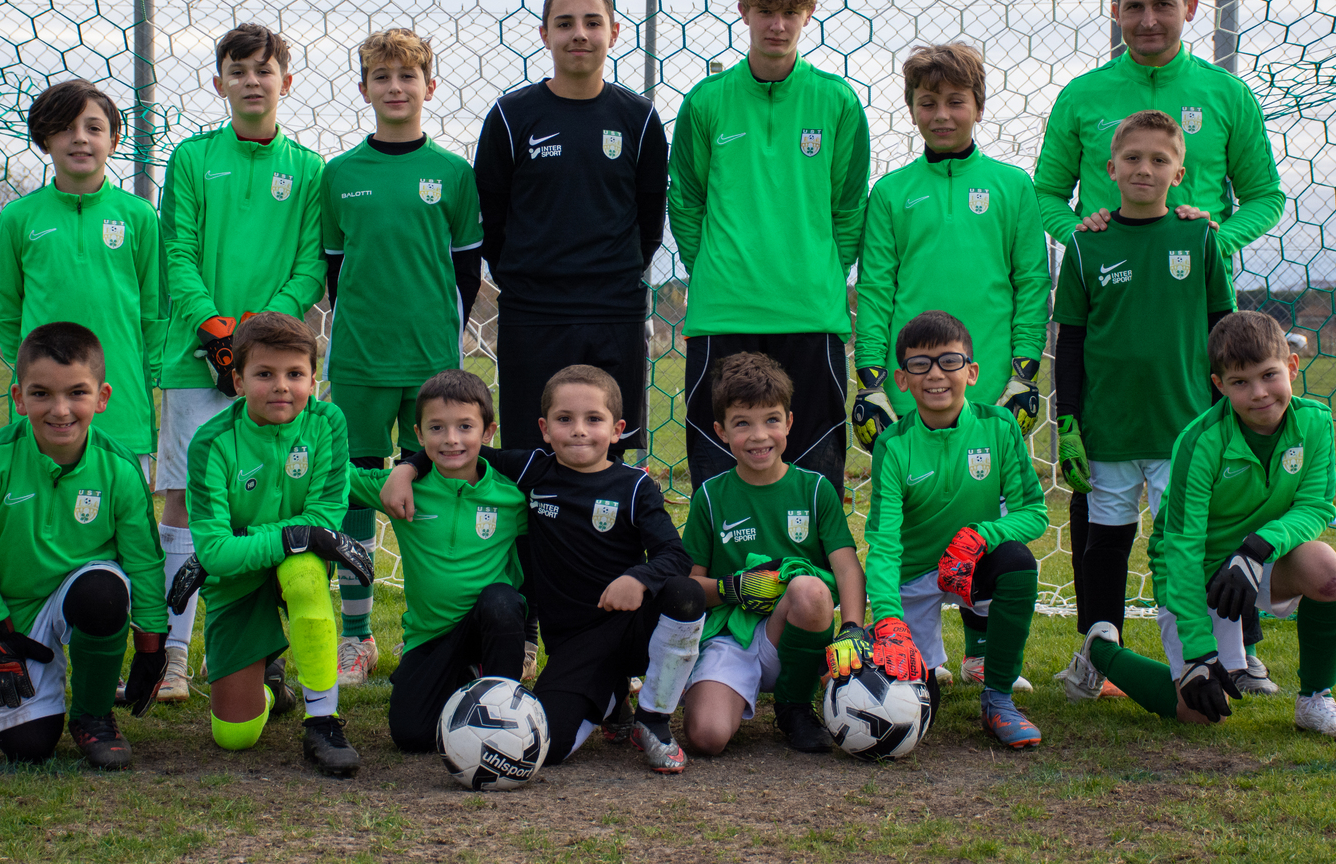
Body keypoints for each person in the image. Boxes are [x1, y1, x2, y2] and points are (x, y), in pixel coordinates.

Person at [1033, 0, 1287, 691]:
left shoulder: (1226, 95)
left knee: (1208, 504)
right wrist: (1082, 229)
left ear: (1191, 8)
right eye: (1135, 6)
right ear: (1115, 10)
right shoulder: (1083, 96)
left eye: (1164, 4)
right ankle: (1097, 652)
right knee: (1100, 512)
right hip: (1113, 316)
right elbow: (1047, 193)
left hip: (1194, 325)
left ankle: (1236, 646)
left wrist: (1214, 238)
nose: (1149, 19)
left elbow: (1265, 196)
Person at [379, 365, 705, 774]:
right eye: (564, 419)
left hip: (632, 626)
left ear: (617, 429)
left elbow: (674, 554)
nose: (579, 431)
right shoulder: (533, 470)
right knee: (542, 750)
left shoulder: (636, 486)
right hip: (576, 644)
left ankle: (653, 720)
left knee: (685, 594)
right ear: (545, 429)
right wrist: (406, 469)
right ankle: (611, 697)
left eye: (593, 419)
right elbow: (460, 449)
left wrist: (636, 578)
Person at [1055, 312, 1336, 739]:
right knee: (1200, 713)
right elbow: (1181, 550)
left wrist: (1256, 548)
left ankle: (1316, 700)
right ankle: (1102, 652)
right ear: (1219, 385)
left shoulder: (1315, 422)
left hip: (1253, 562)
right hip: (1194, 571)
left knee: (1326, 570)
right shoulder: (1200, 441)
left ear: (1292, 367)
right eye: (1240, 382)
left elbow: (1314, 508)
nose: (1259, 393)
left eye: (1269, 375)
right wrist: (1200, 653)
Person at [153, 23, 326, 701]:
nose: (252, 80)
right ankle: (171, 654)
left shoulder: (308, 169)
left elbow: (310, 264)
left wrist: (257, 336)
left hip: (273, 362)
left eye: (264, 68)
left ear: (287, 80)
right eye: (238, 69)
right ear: (218, 82)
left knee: (270, 499)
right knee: (185, 497)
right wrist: (217, 328)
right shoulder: (192, 159)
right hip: (197, 358)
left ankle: (262, 651)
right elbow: (177, 252)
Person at [668, 0, 871, 500]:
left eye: (790, 12)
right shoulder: (706, 101)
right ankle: (723, 561)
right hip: (724, 313)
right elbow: (685, 200)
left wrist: (820, 271)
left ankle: (810, 560)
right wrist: (715, 268)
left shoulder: (837, 101)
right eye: (765, 11)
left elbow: (849, 206)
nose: (777, 25)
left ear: (809, 14)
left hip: (810, 312)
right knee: (719, 475)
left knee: (813, 476)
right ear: (743, 11)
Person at [1048, 111, 1234, 694]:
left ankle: (1199, 664)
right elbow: (1071, 341)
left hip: (1185, 430)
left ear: (1179, 173)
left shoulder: (1199, 237)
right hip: (1110, 431)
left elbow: (1223, 331)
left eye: (1159, 160)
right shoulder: (1086, 244)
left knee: (1183, 548)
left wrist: (1224, 417)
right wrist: (1068, 421)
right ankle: (1098, 658)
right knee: (1106, 543)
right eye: (1132, 158)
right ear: (1110, 169)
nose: (1144, 169)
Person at [322, 28, 483, 687]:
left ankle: (435, 634)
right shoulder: (339, 175)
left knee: (434, 491)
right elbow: (336, 272)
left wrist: (437, 344)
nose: (395, 87)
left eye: (407, 76)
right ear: (363, 89)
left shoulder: (454, 174)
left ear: (429, 87)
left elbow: (465, 273)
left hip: (431, 369)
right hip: (359, 363)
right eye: (382, 77)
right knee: (355, 493)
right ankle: (357, 637)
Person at [0, 321, 167, 768]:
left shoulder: (120, 468)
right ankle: (36, 687)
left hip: (85, 589)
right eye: (41, 393)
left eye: (77, 393)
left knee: (103, 591)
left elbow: (144, 562)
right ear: (19, 397)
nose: (60, 410)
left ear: (101, 397)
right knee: (29, 748)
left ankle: (93, 713)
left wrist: (151, 645)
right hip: (17, 614)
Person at [166, 313, 373, 776]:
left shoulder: (328, 422)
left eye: (295, 374)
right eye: (265, 374)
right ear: (238, 381)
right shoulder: (210, 444)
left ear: (313, 380)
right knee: (234, 737)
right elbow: (216, 553)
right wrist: (296, 535)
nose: (282, 386)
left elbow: (322, 519)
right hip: (236, 578)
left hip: (293, 564)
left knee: (305, 573)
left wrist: (285, 538)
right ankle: (268, 681)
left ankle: (323, 721)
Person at [475, 0, 668, 455]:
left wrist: (612, 272)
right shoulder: (510, 117)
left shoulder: (639, 118)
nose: (579, 33)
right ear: (545, 35)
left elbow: (649, 219)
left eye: (592, 22)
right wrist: (527, 278)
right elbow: (491, 218)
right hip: (533, 313)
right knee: (530, 452)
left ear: (614, 33)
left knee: (606, 454)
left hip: (613, 312)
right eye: (564, 24)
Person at [863, 311, 1048, 749]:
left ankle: (998, 699)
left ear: (971, 371)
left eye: (949, 361)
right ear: (902, 380)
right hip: (915, 576)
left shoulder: (998, 427)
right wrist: (887, 618)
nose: (935, 375)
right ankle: (896, 645)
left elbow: (1033, 513)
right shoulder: (893, 444)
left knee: (1017, 563)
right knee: (915, 708)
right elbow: (884, 544)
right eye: (920, 364)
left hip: (971, 564)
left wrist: (981, 536)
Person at [855, 44, 1048, 440]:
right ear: (911, 111)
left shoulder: (1014, 186)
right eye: (928, 103)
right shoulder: (890, 192)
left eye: (955, 102)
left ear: (979, 107)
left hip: (992, 391)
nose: (941, 115)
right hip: (910, 393)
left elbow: (1031, 283)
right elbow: (875, 290)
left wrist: (1024, 372)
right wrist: (870, 380)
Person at [679, 352, 867, 755]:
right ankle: (713, 686)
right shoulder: (710, 497)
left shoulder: (815, 490)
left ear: (789, 423)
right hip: (730, 637)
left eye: (771, 420)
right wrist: (734, 588)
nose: (759, 436)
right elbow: (688, 587)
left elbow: (848, 569)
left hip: (792, 633)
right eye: (742, 424)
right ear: (721, 431)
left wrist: (853, 628)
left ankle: (794, 705)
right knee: (706, 737)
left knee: (809, 589)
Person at [348, 370, 528, 752]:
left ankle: (504, 706)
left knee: (501, 601)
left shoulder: (512, 496)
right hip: (431, 637)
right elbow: (337, 476)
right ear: (418, 434)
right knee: (412, 736)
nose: (451, 439)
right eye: (436, 428)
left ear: (488, 432)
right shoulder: (402, 489)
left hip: (490, 628)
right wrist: (403, 469)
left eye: (465, 426)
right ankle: (462, 678)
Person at [0, 80, 163, 467]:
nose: (80, 138)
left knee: (123, 504)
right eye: (65, 127)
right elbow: (5, 310)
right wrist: (34, 375)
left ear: (114, 141)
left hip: (123, 407)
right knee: (43, 502)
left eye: (93, 128)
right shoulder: (17, 218)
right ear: (44, 139)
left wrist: (145, 374)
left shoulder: (140, 217)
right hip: (47, 414)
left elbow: (155, 313)